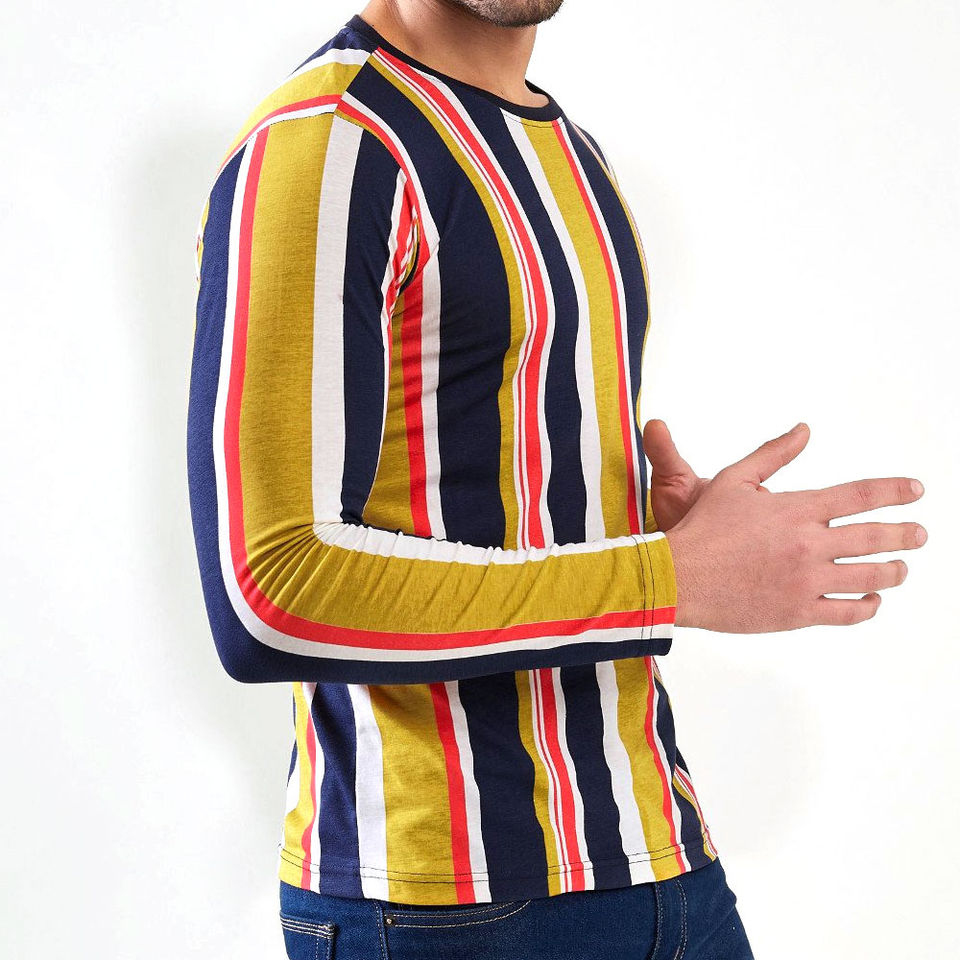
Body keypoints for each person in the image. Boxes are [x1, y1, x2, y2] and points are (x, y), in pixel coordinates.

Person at [185, 2, 927, 957]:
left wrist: (661, 529)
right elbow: (268, 596)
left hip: (662, 855)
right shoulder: (325, 143)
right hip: (440, 903)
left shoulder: (575, 152)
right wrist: (666, 577)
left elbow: (484, 476)